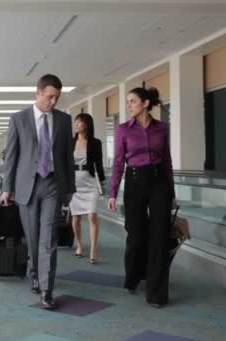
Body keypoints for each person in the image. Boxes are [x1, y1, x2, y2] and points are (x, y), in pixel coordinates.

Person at [0, 74, 76, 310]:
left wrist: (70, 188)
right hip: (27, 187)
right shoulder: (19, 119)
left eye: (57, 98)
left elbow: (66, 157)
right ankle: (35, 271)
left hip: (53, 184)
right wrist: (6, 188)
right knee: (32, 238)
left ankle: (46, 289)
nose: (53, 102)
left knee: (49, 239)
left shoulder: (64, 120)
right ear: (39, 93)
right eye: (50, 96)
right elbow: (12, 156)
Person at [107, 87, 176, 309]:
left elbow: (167, 162)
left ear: (146, 103)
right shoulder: (123, 130)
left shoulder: (162, 129)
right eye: (127, 102)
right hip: (135, 181)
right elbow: (118, 162)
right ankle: (134, 276)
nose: (128, 105)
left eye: (132, 101)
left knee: (160, 237)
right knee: (136, 235)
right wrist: (113, 192)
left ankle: (157, 294)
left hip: (159, 183)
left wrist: (172, 194)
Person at [70, 113, 105, 264]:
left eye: (79, 122)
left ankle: (93, 249)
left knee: (92, 216)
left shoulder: (95, 142)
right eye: (75, 122)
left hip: (89, 181)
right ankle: (79, 245)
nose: (76, 124)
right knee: (76, 217)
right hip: (74, 182)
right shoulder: (70, 142)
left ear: (87, 125)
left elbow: (99, 163)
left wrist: (102, 182)